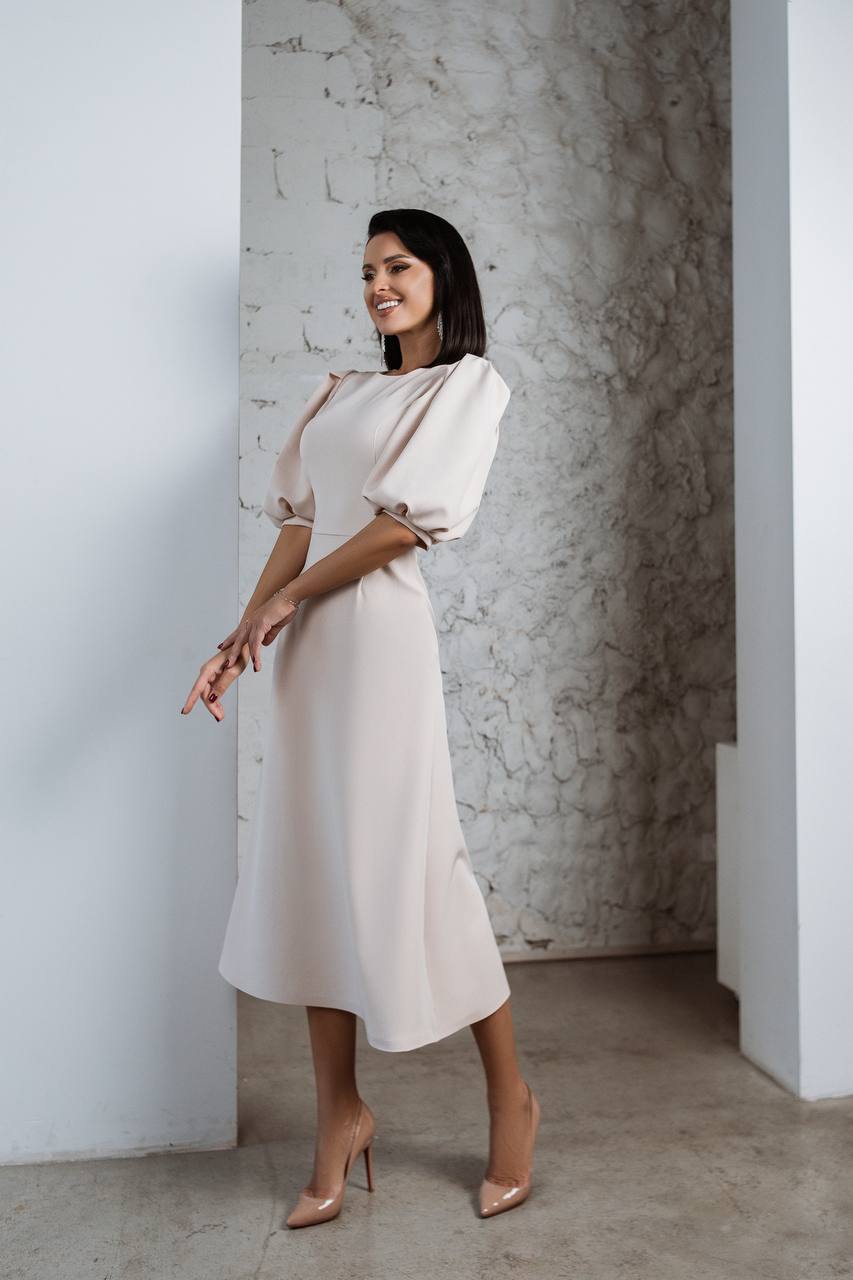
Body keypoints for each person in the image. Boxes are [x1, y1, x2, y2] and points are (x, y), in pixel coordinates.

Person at [182, 208, 540, 1225]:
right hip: (308, 659)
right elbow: (301, 523)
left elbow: (398, 525)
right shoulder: (339, 392)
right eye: (369, 269)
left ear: (441, 275)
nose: (379, 282)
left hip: (377, 642)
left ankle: (512, 1096)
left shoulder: (465, 385)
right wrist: (238, 635)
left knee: (416, 862)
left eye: (399, 265)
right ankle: (338, 1112)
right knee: (314, 866)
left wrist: (289, 603)